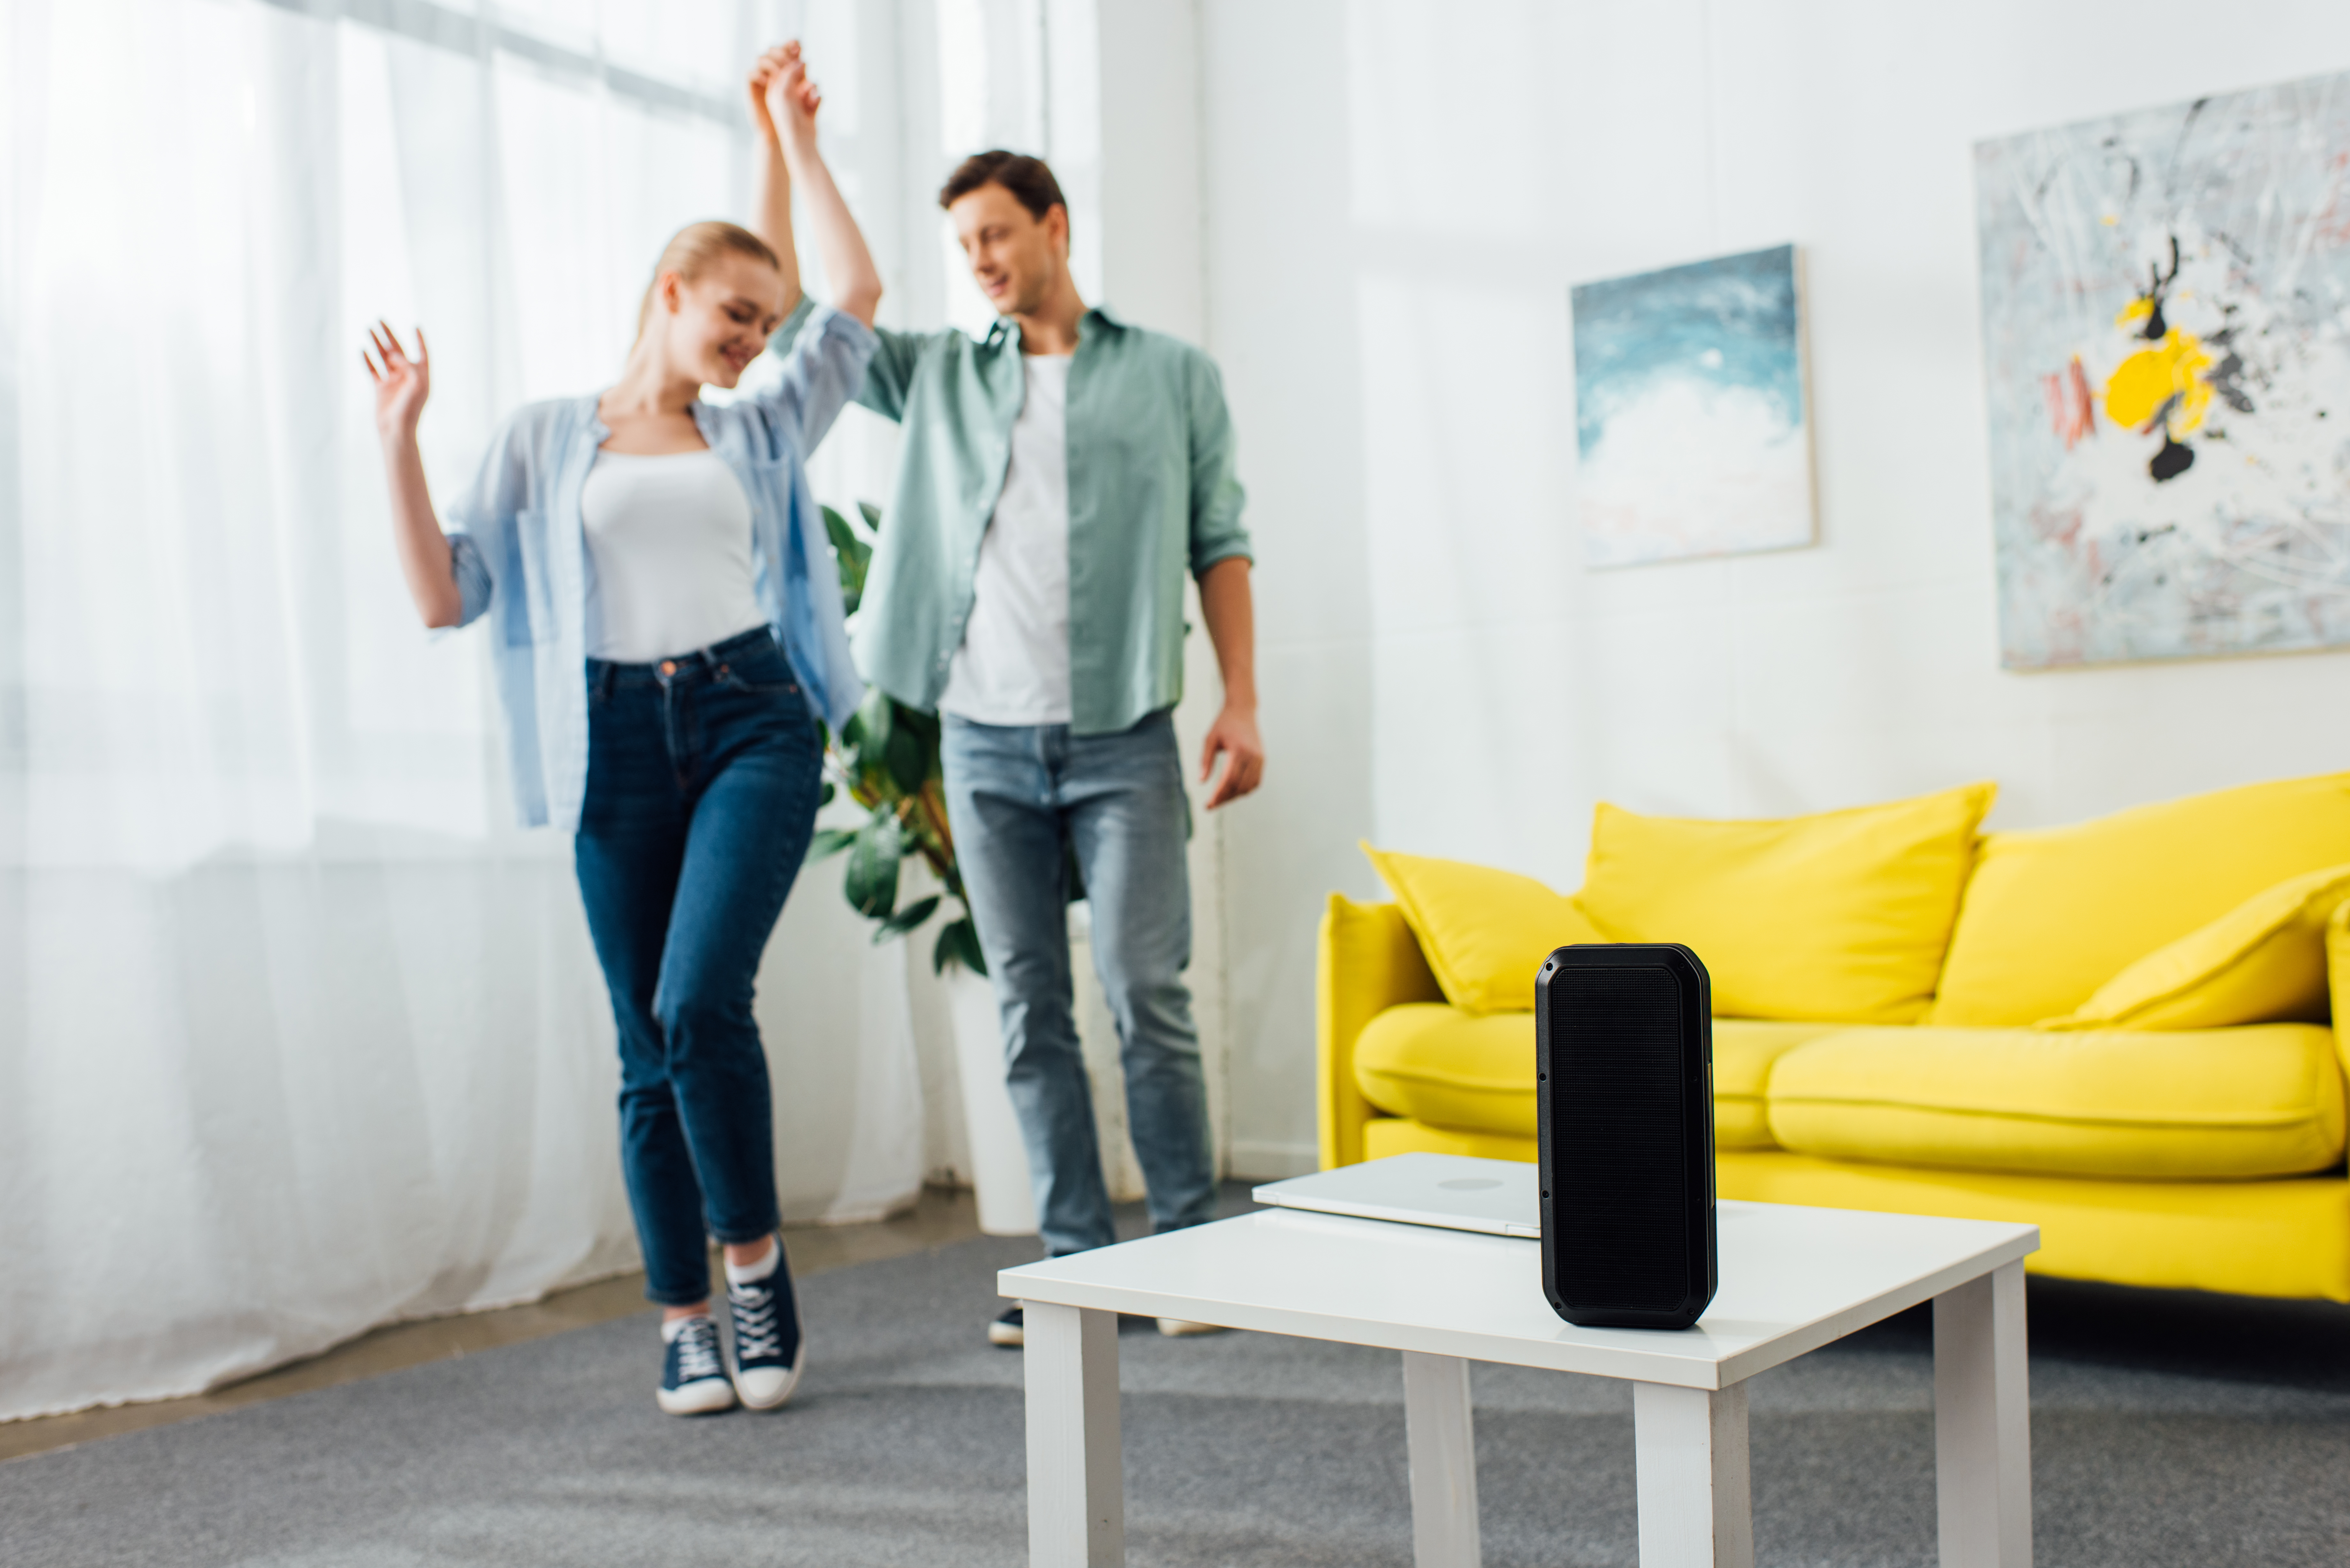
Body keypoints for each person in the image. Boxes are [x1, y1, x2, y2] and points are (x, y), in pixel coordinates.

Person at [363, 44, 880, 1416]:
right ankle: (682, 1315)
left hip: (753, 717)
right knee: (643, 1044)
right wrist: (399, 438)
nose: (753, 339)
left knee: (699, 996)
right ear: (671, 292)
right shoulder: (541, 440)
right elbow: (440, 597)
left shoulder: (761, 426)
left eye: (767, 322)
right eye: (735, 311)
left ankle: (756, 1261)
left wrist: (793, 139)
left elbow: (859, 296)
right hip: (609, 744)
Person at [754, 147, 1263, 1347]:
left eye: (995, 235)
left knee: (1149, 996)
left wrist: (1240, 702)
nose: (980, 262)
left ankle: (1191, 1254)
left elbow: (1220, 539)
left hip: (1126, 735)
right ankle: (1080, 1268)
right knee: (1032, 1006)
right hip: (983, 747)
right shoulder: (934, 376)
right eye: (964, 246)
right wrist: (795, 143)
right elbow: (793, 316)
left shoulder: (1173, 377)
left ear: (1054, 225)